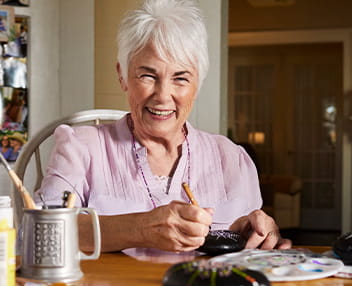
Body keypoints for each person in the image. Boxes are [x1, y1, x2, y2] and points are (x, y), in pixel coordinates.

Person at [37, 0, 291, 254]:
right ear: (123, 76)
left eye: (180, 78)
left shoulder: (232, 158)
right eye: (148, 75)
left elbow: (253, 253)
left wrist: (261, 233)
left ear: (197, 84)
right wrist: (142, 228)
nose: (163, 95)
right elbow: (41, 232)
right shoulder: (82, 147)